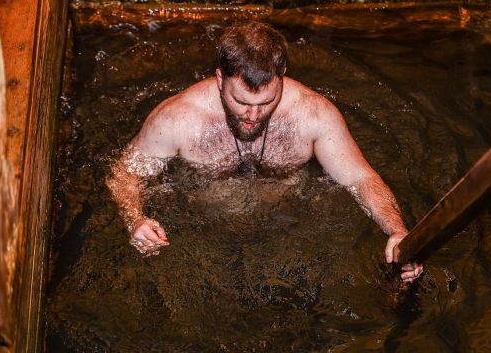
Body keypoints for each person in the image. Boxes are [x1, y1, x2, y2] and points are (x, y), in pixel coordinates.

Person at [107, 22, 423, 283]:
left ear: (282, 73)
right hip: (202, 237)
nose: (253, 116)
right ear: (220, 79)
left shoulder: (313, 114)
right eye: (242, 102)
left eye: (265, 103)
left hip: (290, 235)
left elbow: (361, 178)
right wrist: (135, 220)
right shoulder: (177, 120)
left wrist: (396, 230)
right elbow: (125, 174)